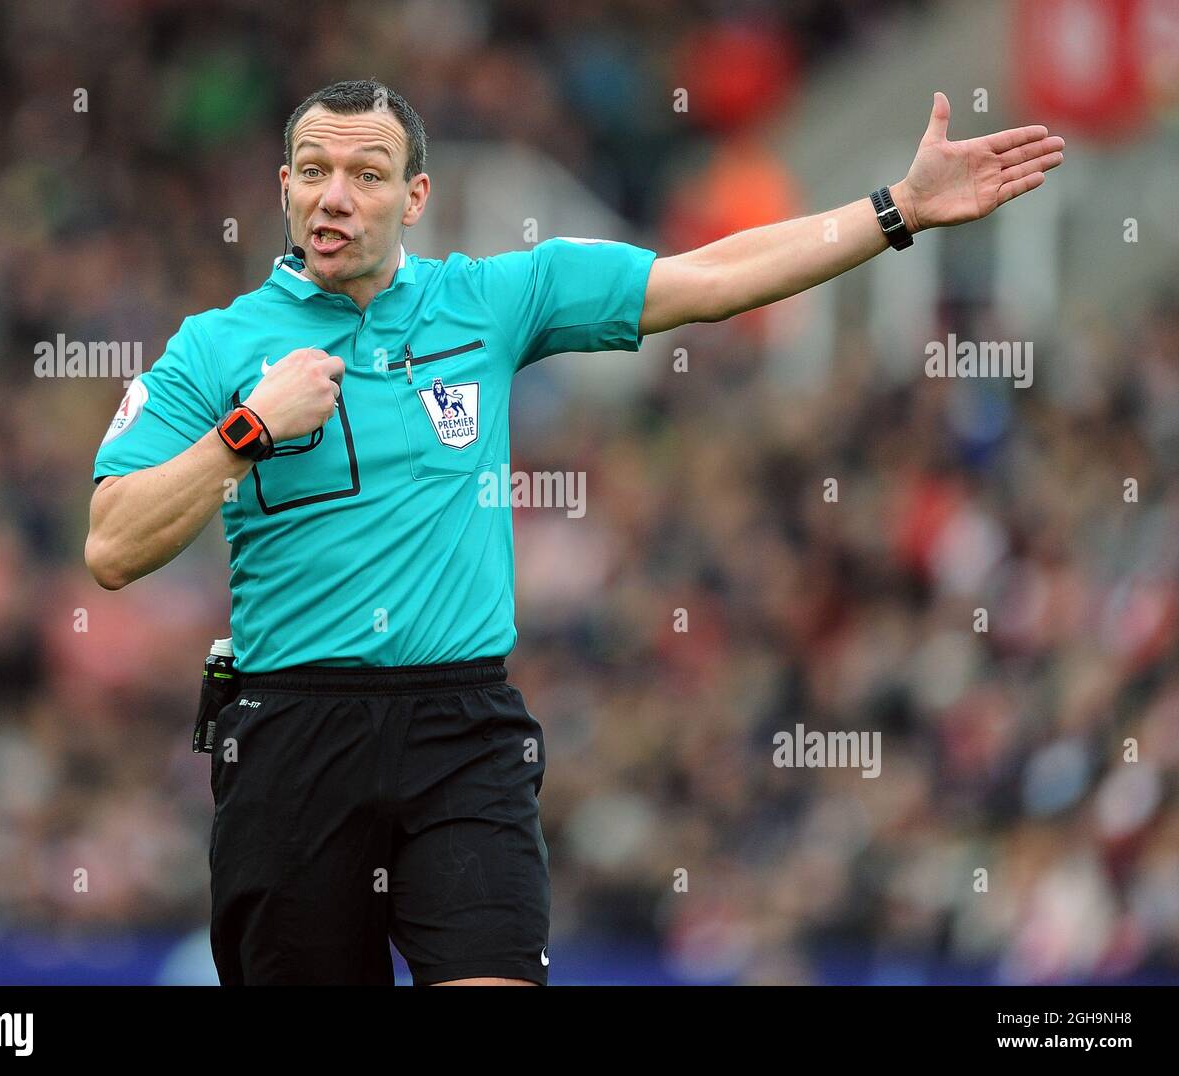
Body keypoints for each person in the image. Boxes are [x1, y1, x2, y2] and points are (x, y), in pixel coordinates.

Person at [84, 79, 1064, 985]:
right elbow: (112, 546)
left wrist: (893, 211)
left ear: (415, 196)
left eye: (366, 174)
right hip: (293, 729)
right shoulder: (214, 347)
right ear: (284, 188)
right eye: (314, 171)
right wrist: (244, 433)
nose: (335, 195)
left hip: (457, 728)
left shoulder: (494, 298)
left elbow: (709, 277)